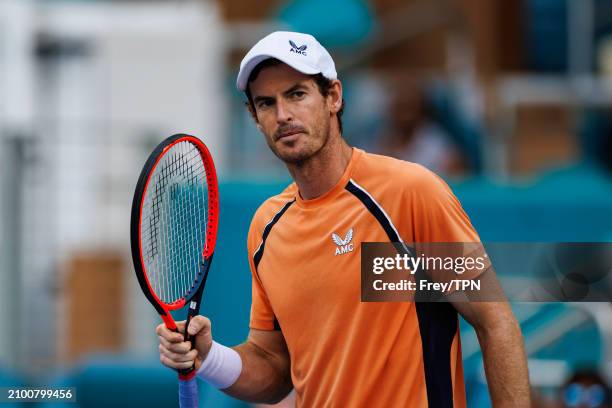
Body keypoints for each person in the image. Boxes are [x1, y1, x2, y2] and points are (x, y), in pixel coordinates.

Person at [156, 31, 530, 407]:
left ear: (333, 97)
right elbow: (273, 369)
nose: (283, 115)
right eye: (266, 103)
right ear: (255, 118)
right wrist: (209, 357)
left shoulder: (411, 192)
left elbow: (495, 322)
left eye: (297, 94)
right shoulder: (266, 226)